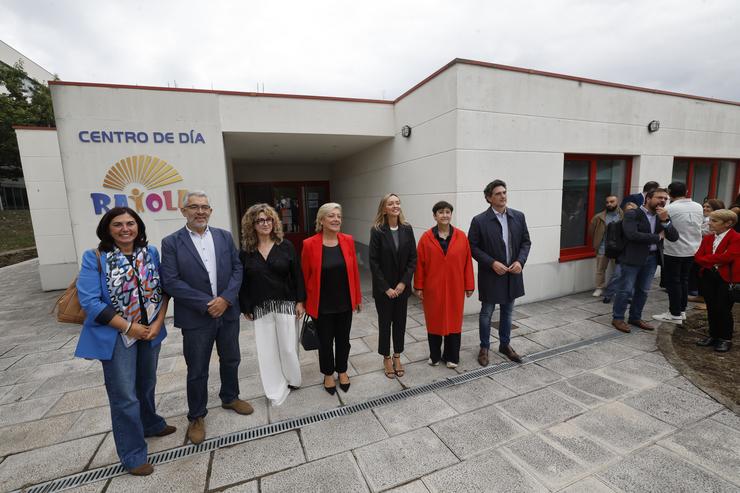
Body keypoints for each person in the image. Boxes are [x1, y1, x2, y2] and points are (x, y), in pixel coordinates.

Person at [75, 207, 174, 476]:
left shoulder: (150, 253)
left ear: (138, 227)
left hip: (150, 331)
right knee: (124, 396)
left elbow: (164, 290)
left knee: (147, 383)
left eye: (130, 223)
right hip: (117, 336)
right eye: (117, 224)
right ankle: (132, 454)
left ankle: (151, 423)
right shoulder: (95, 257)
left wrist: (156, 323)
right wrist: (130, 328)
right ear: (108, 229)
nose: (125, 228)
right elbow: (90, 303)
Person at [160, 191, 252, 446]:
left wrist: (226, 299)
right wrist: (207, 304)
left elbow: (237, 269)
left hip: (228, 311)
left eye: (204, 207)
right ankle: (197, 416)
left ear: (210, 211)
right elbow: (170, 280)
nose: (199, 212)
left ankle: (230, 396)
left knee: (231, 358)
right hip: (196, 317)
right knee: (197, 369)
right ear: (184, 211)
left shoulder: (224, 236)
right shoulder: (171, 242)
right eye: (193, 207)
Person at [238, 203, 305, 406]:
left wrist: (300, 301)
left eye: (268, 219)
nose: (265, 223)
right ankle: (275, 385)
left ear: (274, 222)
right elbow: (243, 282)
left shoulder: (286, 245)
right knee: (267, 350)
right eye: (260, 220)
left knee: (287, 347)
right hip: (261, 306)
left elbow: (297, 275)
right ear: (252, 224)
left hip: (285, 303)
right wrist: (245, 306)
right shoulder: (246, 251)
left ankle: (293, 379)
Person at [469, 179, 531, 365]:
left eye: (504, 192)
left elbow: (526, 242)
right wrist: (491, 263)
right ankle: (484, 347)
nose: (503, 196)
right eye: (498, 193)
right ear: (489, 198)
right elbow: (472, 246)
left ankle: (505, 345)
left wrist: (520, 261)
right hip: (491, 274)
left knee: (508, 311)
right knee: (487, 312)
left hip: (512, 274)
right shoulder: (479, 220)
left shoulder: (518, 216)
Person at [302, 203, 362, 394]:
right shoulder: (309, 244)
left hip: (344, 302)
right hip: (321, 304)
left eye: (338, 216)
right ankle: (328, 374)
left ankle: (342, 370)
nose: (336, 219)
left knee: (344, 339)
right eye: (331, 216)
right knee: (325, 342)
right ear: (321, 220)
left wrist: (357, 298)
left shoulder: (348, 240)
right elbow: (304, 275)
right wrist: (301, 301)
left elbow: (354, 272)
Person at [414, 201, 474, 368]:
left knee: (454, 320)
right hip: (433, 287)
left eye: (447, 212)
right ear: (435, 216)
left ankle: (452, 356)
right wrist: (418, 286)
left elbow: (467, 262)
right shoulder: (426, 238)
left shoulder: (461, 236)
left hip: (456, 286)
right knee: (434, 320)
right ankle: (434, 355)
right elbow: (419, 264)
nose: (445, 215)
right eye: (441, 212)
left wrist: (469, 285)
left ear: (451, 215)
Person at [611, 188, 679, 333]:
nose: (663, 201)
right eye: (659, 197)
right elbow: (632, 235)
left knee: (643, 291)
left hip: (652, 259)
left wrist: (666, 221)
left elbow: (673, 237)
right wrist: (658, 237)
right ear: (648, 198)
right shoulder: (633, 214)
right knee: (625, 290)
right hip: (632, 258)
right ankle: (618, 318)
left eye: (665, 199)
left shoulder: (663, 216)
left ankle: (635, 317)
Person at [369, 193, 417, 378]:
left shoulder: (407, 228)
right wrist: (386, 288)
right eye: (391, 203)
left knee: (400, 323)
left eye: (397, 203)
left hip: (402, 289)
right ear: (384, 208)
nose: (395, 206)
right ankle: (386, 357)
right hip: (384, 290)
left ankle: (397, 355)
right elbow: (373, 262)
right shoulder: (377, 231)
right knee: (385, 324)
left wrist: (403, 283)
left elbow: (413, 258)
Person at [653, 182, 703, 325]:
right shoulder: (698, 206)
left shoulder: (669, 208)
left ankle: (674, 314)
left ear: (669, 193)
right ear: (687, 191)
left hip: (674, 251)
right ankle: (681, 311)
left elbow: (660, 226)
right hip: (693, 250)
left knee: (673, 282)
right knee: (684, 280)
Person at [694, 209, 739, 352]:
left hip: (726, 278)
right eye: (710, 220)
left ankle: (725, 338)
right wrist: (713, 261)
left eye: (714, 221)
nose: (709, 223)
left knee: (723, 308)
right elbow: (698, 256)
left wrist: (708, 260)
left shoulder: (736, 238)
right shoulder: (708, 238)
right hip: (709, 275)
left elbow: (729, 257)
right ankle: (713, 335)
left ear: (728, 223)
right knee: (711, 307)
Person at [688, 199, 725, 304]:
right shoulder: (705, 219)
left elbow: (705, 232)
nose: (705, 208)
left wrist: (692, 229)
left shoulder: (715, 220)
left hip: (710, 250)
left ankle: (704, 297)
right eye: (704, 206)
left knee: (705, 272)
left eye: (708, 207)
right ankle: (701, 295)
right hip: (702, 248)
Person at [603, 201, 638, 303]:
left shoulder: (640, 224)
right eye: (627, 211)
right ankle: (608, 294)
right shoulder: (619, 224)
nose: (629, 213)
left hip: (635, 254)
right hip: (622, 254)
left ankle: (630, 296)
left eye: (632, 210)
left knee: (632, 277)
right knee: (617, 275)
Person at [588, 195, 623, 297]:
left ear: (617, 202)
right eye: (607, 202)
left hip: (617, 249)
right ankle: (599, 288)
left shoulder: (623, 215)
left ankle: (615, 289)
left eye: (612, 202)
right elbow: (591, 231)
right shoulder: (599, 217)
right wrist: (597, 241)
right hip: (602, 248)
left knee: (617, 271)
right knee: (600, 270)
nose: (609, 204)